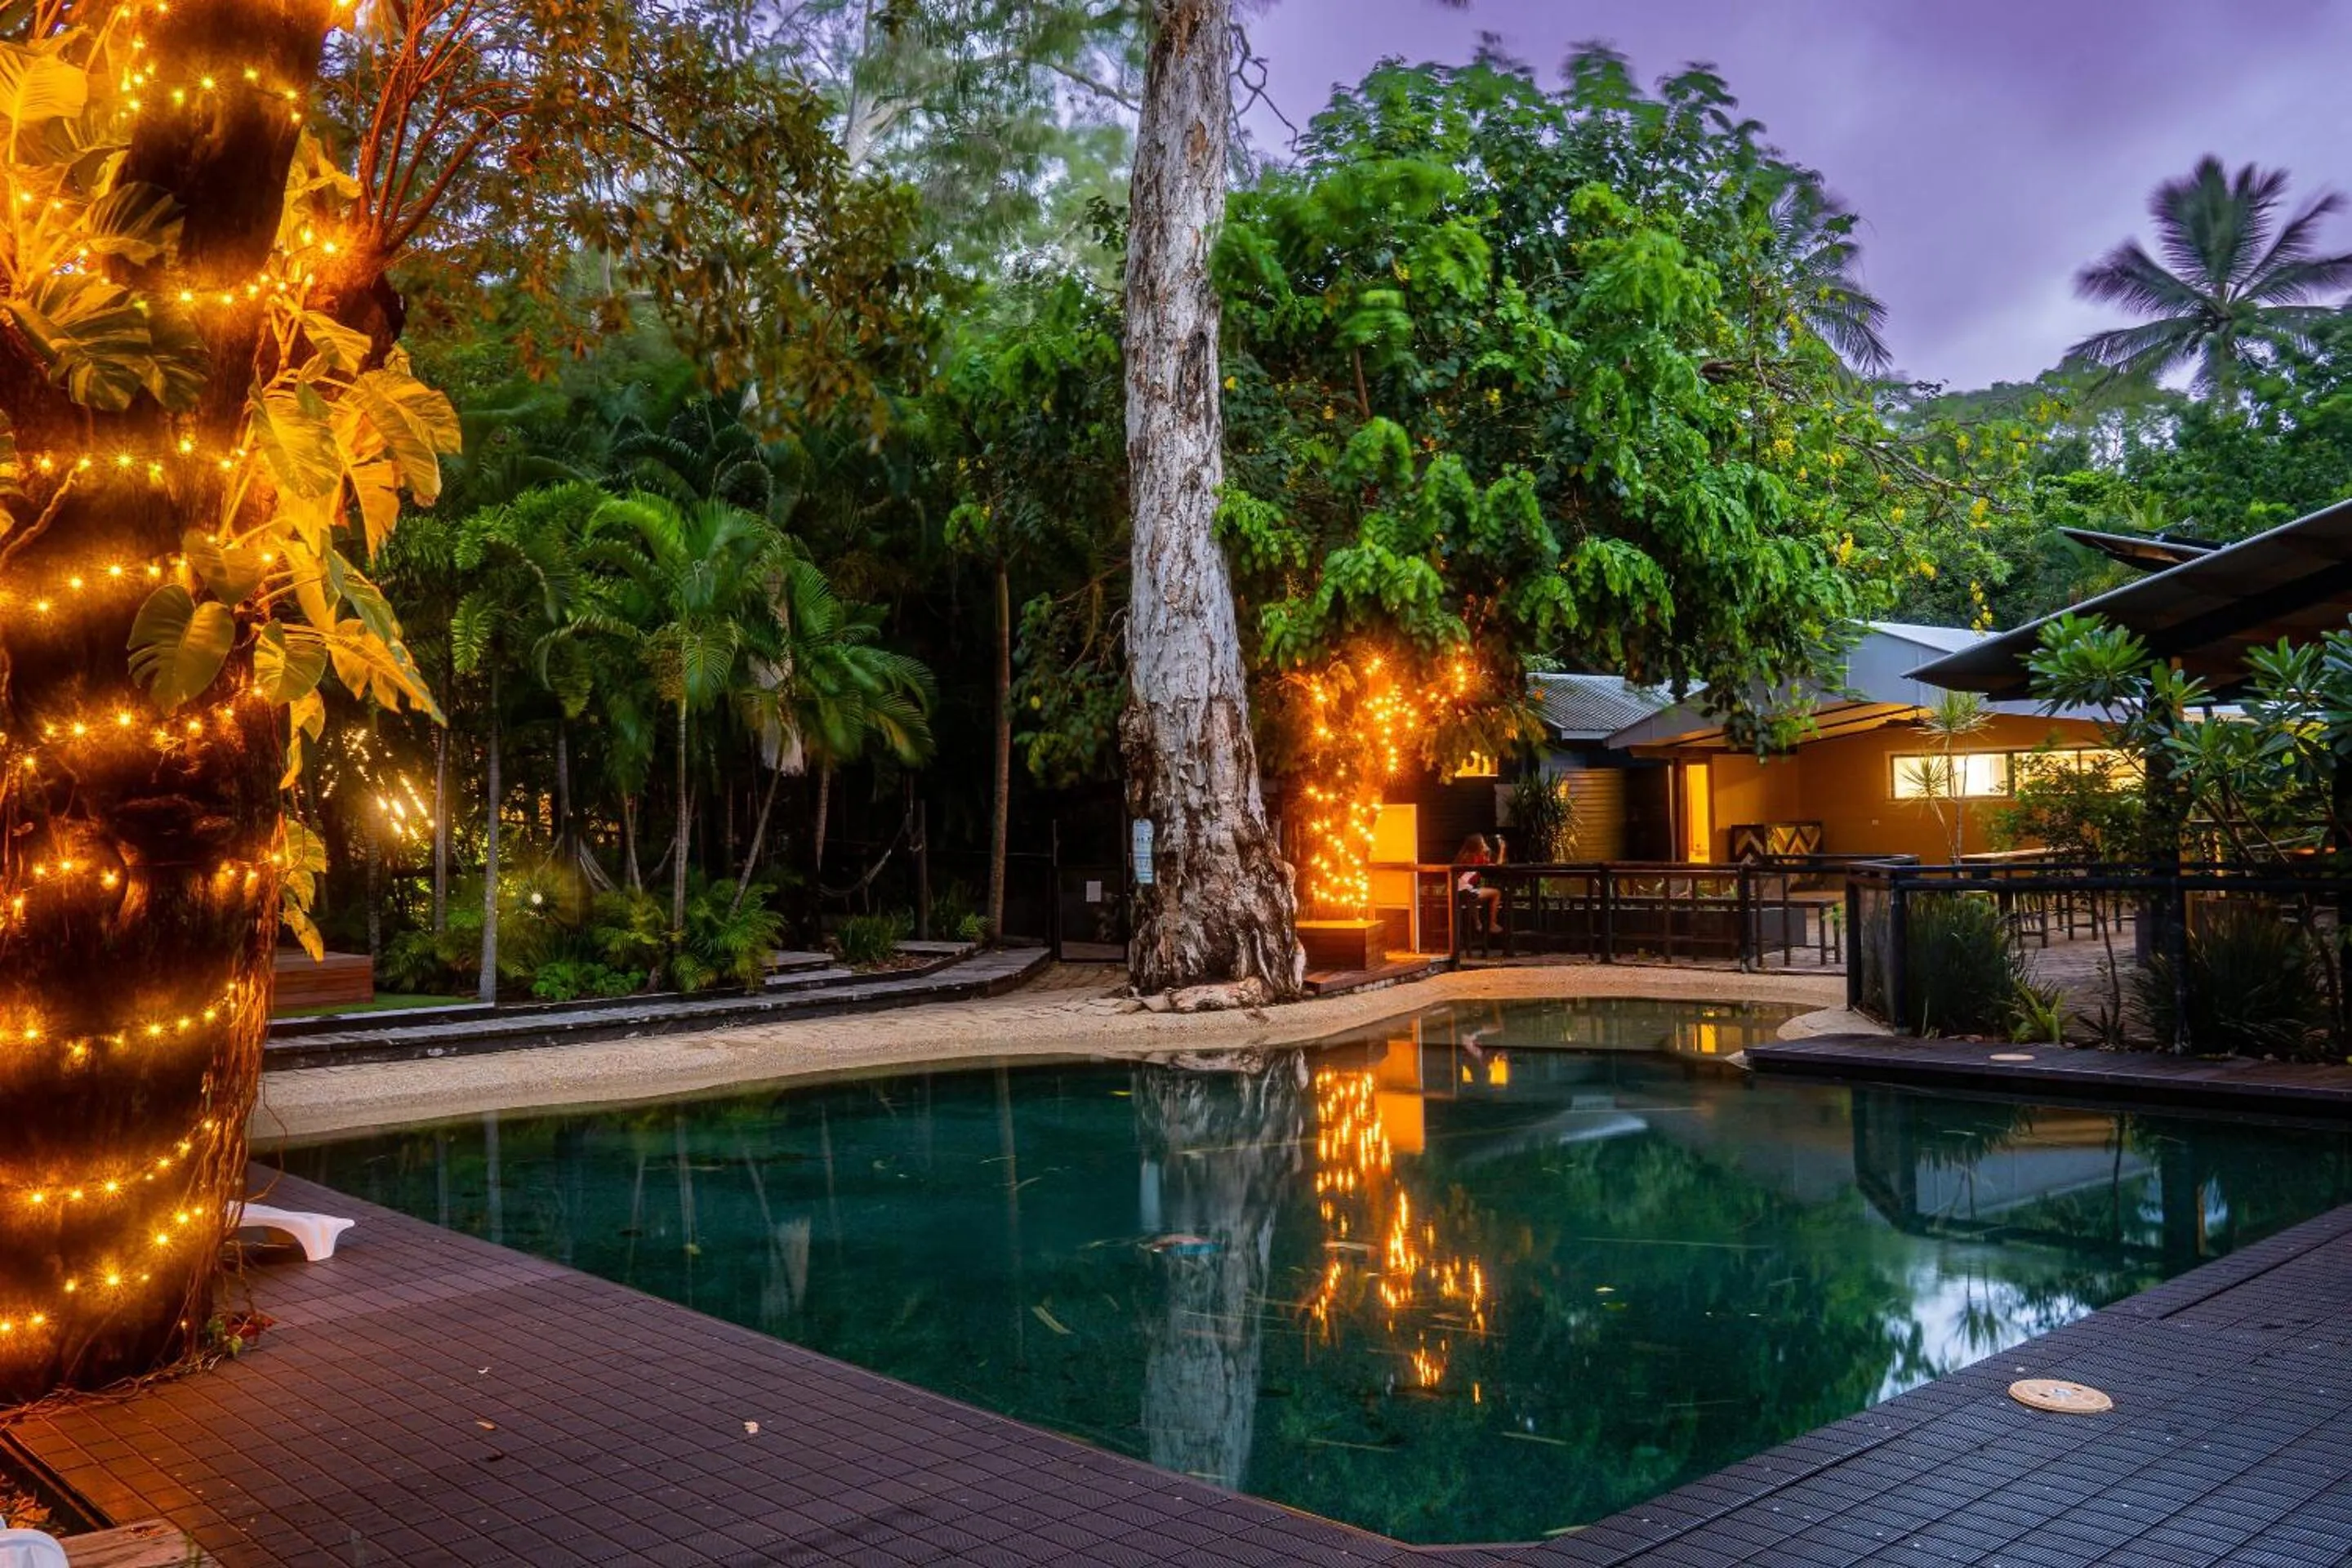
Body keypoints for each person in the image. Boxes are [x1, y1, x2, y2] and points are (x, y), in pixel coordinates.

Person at [1455, 834, 1503, 939]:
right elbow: (1497, 866)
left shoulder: (1465, 856)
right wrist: (1502, 849)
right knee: (1496, 893)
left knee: (1474, 898)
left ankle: (1478, 924)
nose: (1485, 845)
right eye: (1483, 844)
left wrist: (1487, 853)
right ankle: (1492, 924)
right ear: (1478, 847)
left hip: (1457, 891)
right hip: (1465, 891)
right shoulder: (1476, 858)